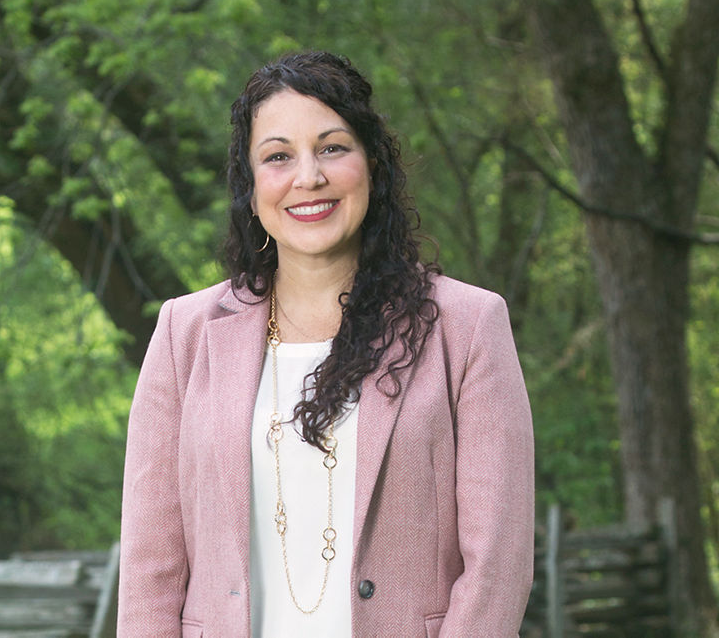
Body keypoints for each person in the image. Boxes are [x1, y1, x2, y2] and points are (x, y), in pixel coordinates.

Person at [117, 51, 534, 637]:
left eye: (332, 148)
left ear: (372, 164)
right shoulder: (183, 335)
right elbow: (149, 570)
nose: (307, 176)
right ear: (251, 183)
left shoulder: (467, 327)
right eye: (279, 156)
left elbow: (498, 565)